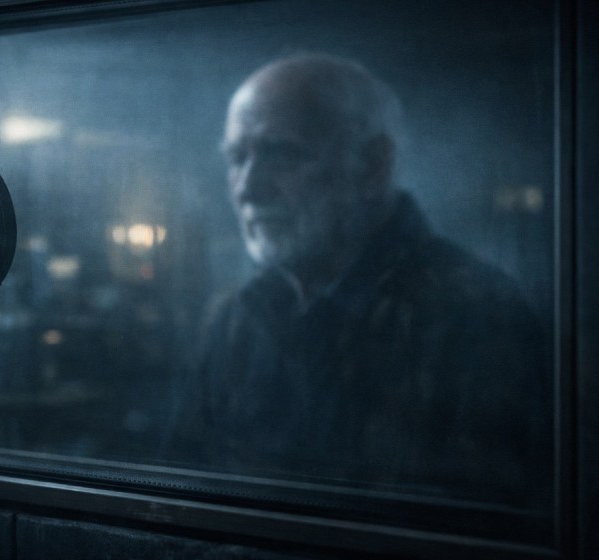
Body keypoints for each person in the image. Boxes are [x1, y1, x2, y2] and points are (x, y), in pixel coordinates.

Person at [167, 53, 551, 507]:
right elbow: (176, 496)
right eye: (236, 158)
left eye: (282, 153)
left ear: (372, 165)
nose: (247, 188)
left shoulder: (479, 318)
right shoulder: (233, 321)